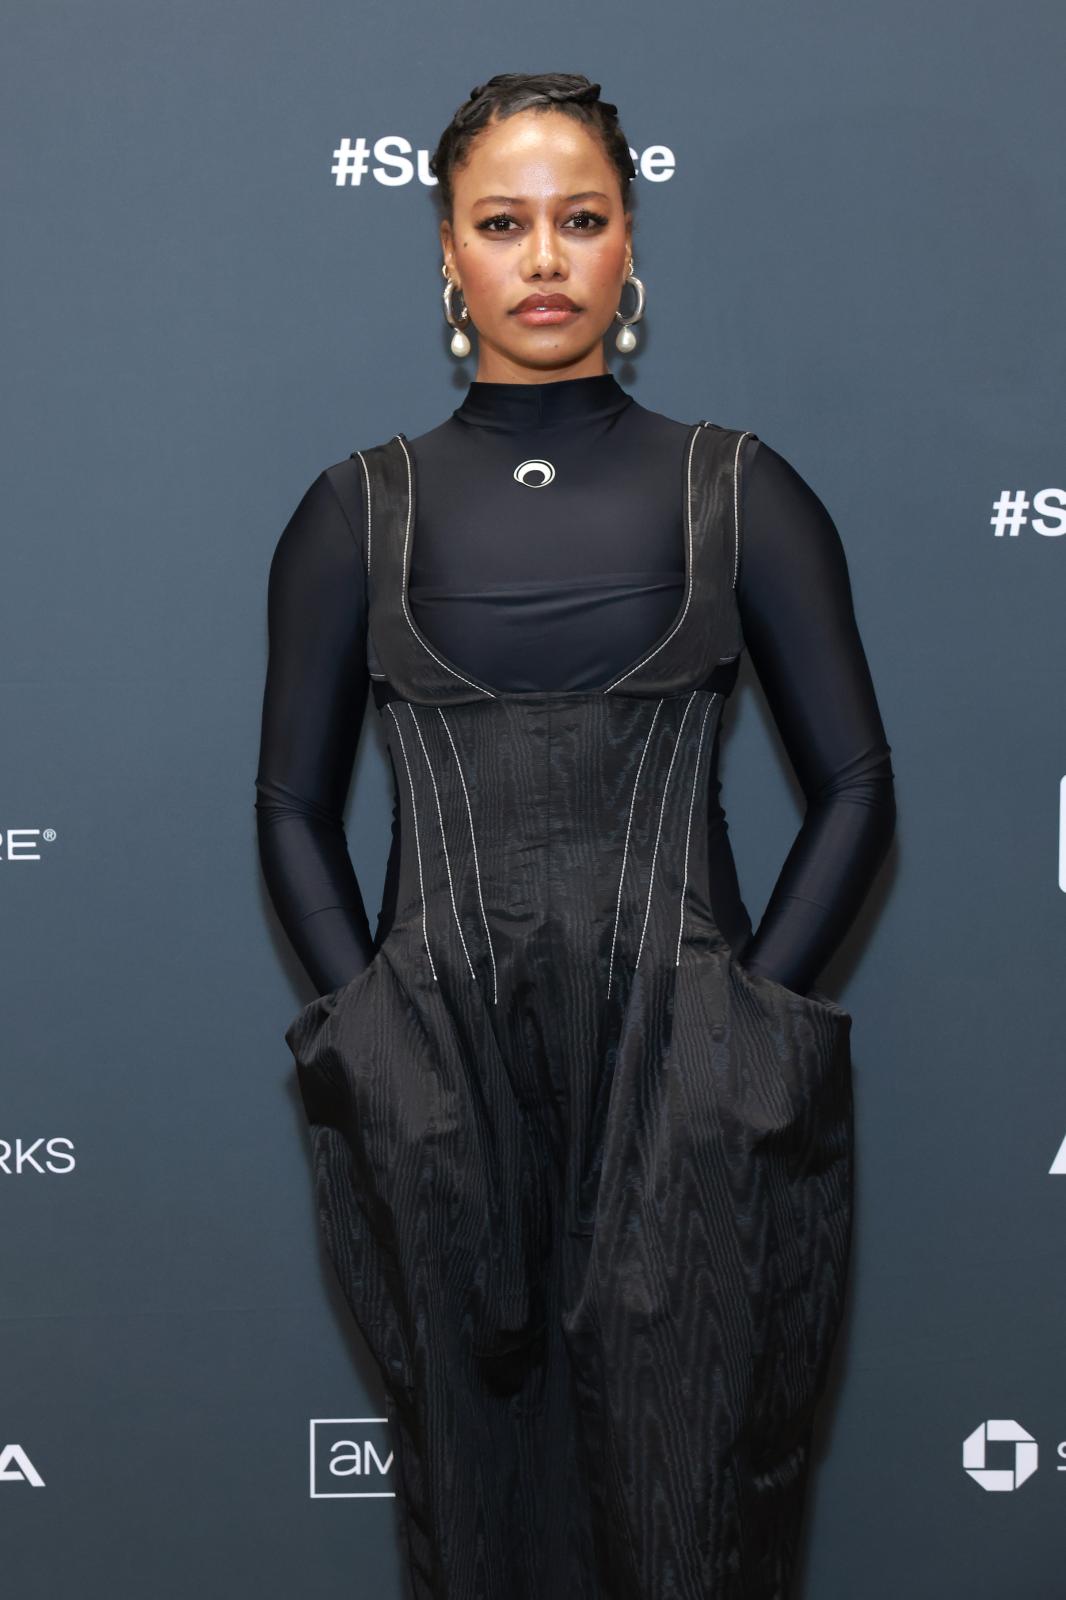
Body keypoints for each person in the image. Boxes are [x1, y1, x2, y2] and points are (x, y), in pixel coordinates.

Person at [255, 72, 895, 1600]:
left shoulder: (737, 488)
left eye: (580, 218)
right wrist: (370, 1033)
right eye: (502, 223)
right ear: (446, 253)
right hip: (438, 1087)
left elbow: (857, 786)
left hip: (692, 1082)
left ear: (626, 247)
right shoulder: (355, 512)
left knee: (695, 1513)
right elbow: (289, 809)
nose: (543, 258)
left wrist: (747, 1030)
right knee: (482, 1519)